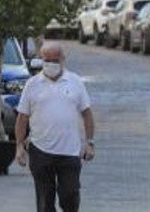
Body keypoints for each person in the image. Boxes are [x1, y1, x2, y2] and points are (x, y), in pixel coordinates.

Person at [15, 42, 95, 212]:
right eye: (47, 60)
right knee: (45, 202)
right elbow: (22, 117)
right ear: (41, 60)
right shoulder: (32, 84)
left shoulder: (75, 82)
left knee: (70, 195)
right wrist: (19, 146)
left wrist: (89, 142)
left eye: (55, 60)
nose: (51, 64)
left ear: (63, 60)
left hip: (70, 152)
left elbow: (87, 113)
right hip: (41, 151)